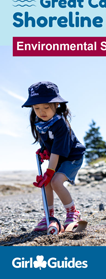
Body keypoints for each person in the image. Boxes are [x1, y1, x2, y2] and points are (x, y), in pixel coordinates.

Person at [22, 81, 86, 231]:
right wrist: (44, 150)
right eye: (36, 108)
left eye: (46, 107)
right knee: (46, 183)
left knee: (55, 182)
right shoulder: (39, 122)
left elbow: (57, 151)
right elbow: (48, 143)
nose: (41, 111)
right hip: (58, 157)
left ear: (56, 105)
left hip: (72, 157)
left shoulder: (60, 124)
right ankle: (49, 216)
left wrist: (50, 171)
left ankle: (73, 212)